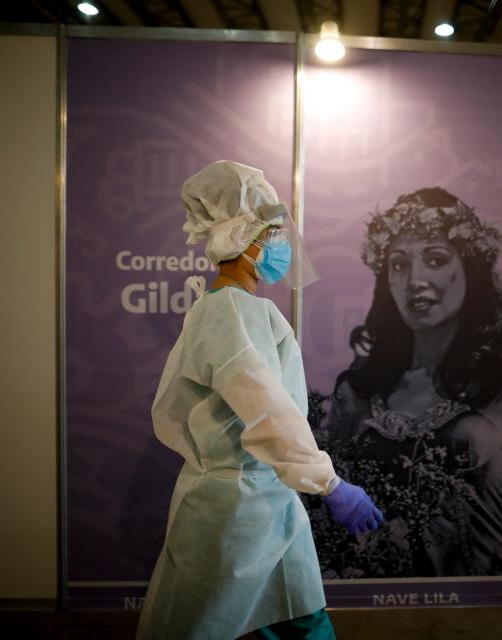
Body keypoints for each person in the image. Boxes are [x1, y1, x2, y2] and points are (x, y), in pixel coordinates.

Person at [136, 161, 383, 640]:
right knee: (201, 626)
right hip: (233, 510)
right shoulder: (228, 311)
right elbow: (267, 409)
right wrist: (330, 486)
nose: (282, 245)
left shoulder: (245, 309)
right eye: (273, 232)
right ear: (246, 240)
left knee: (300, 617)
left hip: (266, 499)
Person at [314, 187, 502, 578]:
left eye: (436, 260)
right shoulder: (359, 391)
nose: (414, 281)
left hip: (484, 603)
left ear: (470, 268)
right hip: (367, 594)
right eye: (399, 265)